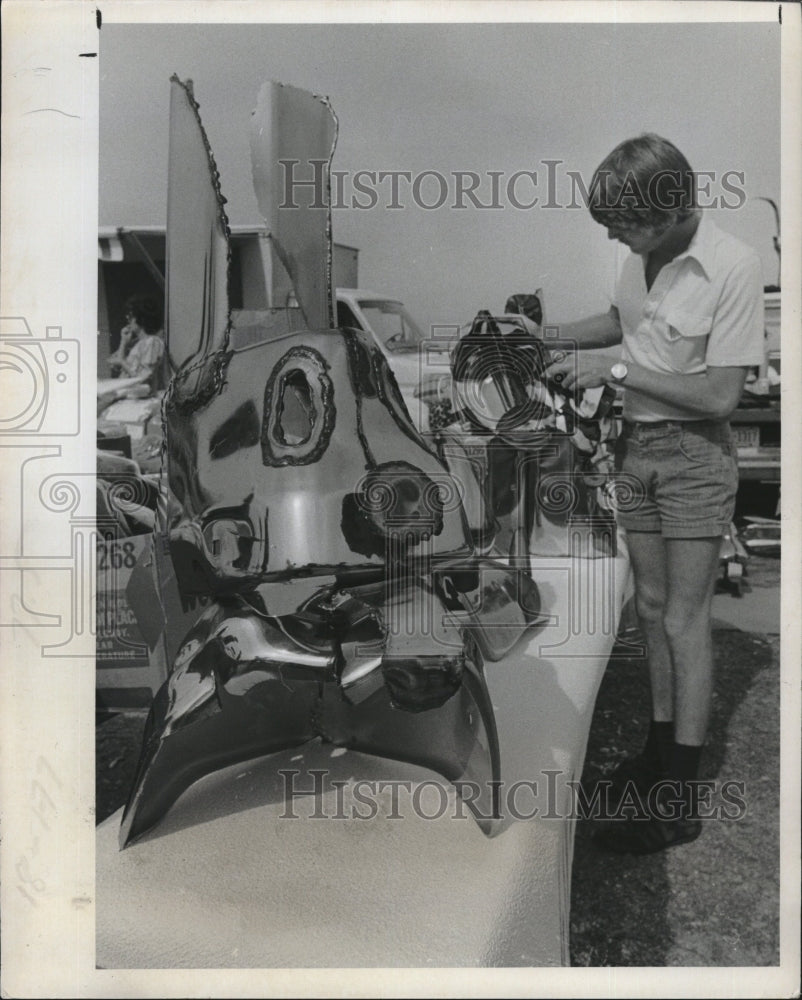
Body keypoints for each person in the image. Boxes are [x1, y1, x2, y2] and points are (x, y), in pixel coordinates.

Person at [545, 134, 764, 854]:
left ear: (665, 212)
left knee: (684, 621)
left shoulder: (731, 264)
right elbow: (621, 324)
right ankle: (654, 754)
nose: (610, 235)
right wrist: (543, 336)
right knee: (647, 608)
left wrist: (614, 374)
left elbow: (720, 395)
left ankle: (678, 798)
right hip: (636, 450)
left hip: (694, 458)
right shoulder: (638, 258)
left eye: (621, 224)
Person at [107, 294, 166, 393]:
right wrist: (123, 342)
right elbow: (112, 363)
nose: (128, 319)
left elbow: (143, 378)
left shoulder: (152, 342)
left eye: (131, 316)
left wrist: (122, 361)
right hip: (127, 395)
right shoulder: (137, 343)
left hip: (141, 399)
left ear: (141, 318)